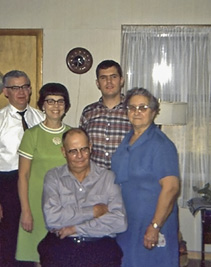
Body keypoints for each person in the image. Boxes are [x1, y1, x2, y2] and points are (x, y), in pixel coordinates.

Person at [0, 70, 45, 266]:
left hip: (34, 183)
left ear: (30, 89)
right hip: (8, 185)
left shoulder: (40, 118)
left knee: (36, 238)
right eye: (15, 88)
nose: (21, 92)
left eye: (25, 86)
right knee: (11, 243)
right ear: (5, 92)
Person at [38, 128, 127, 267]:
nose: (79, 156)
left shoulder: (108, 177)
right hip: (62, 247)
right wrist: (93, 211)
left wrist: (76, 228)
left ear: (90, 148)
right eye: (73, 151)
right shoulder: (53, 177)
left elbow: (119, 221)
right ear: (63, 152)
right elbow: (52, 218)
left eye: (84, 149)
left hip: (99, 248)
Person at [111, 87, 180, 267]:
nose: (137, 112)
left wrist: (155, 227)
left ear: (154, 111)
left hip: (151, 223)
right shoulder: (127, 140)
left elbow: (171, 188)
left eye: (143, 107)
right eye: (132, 108)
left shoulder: (161, 145)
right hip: (128, 223)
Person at [15, 83, 71, 266]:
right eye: (50, 101)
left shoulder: (72, 134)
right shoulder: (32, 135)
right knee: (40, 257)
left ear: (66, 105)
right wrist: (26, 211)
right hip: (37, 204)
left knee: (63, 255)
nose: (56, 106)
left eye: (60, 101)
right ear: (42, 105)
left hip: (65, 205)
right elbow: (23, 176)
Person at [79, 60, 131, 169]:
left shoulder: (134, 111)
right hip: (95, 180)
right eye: (103, 78)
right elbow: (82, 147)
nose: (109, 82)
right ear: (97, 83)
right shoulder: (88, 112)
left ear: (121, 81)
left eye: (113, 77)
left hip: (126, 179)